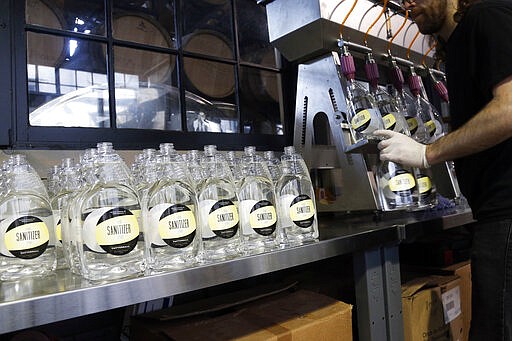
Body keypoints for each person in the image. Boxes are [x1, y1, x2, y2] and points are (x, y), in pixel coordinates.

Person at [373, 0, 512, 339]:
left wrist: (429, 153)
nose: (408, 3)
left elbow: (509, 109)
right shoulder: (457, 44)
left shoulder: (486, 16)